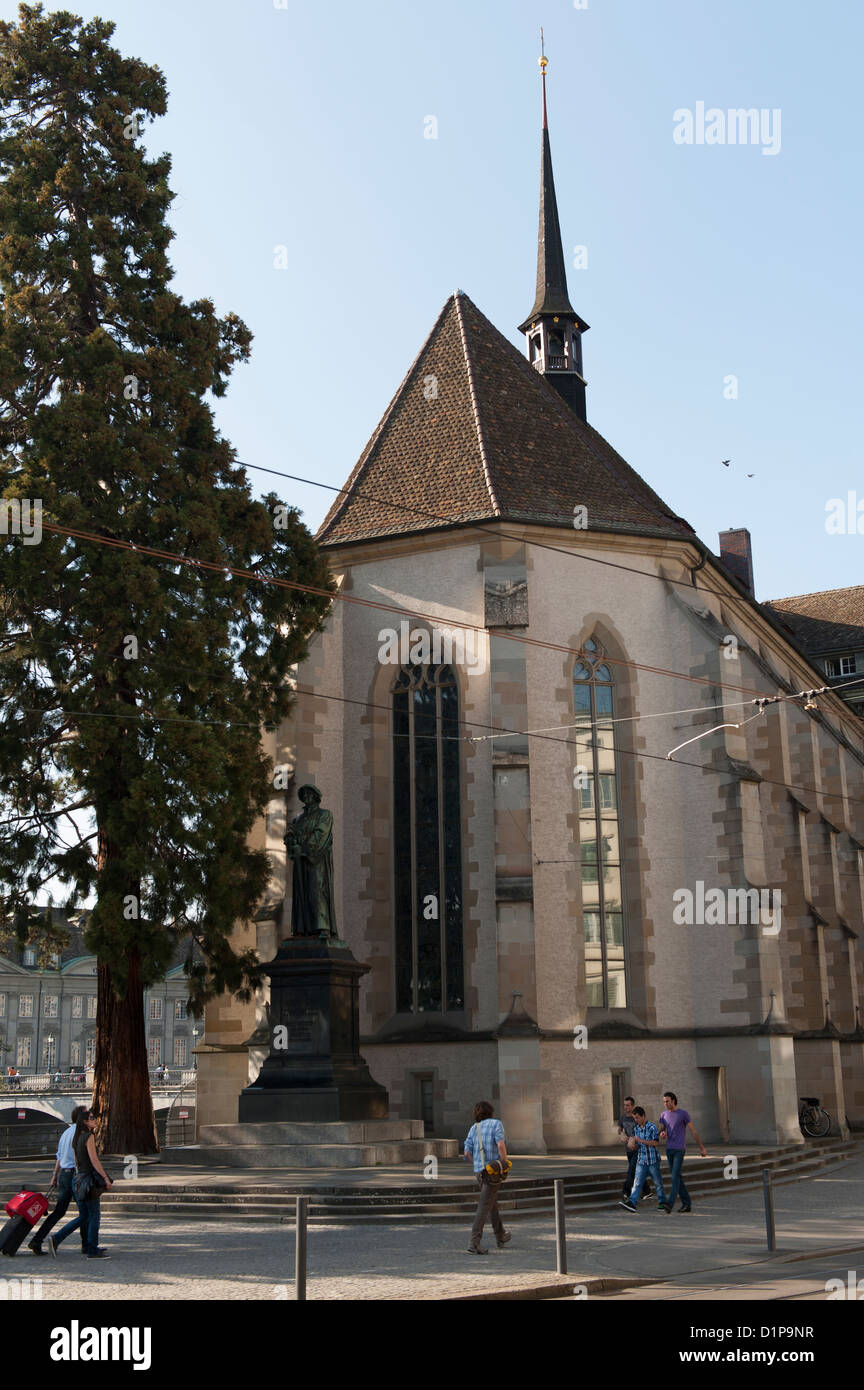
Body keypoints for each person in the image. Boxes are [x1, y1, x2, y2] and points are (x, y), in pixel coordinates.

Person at [48, 1109, 113, 1258]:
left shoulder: (76, 1137)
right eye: (91, 1118)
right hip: (87, 1180)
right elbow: (94, 1160)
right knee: (94, 1215)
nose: (95, 1120)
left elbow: (76, 1161)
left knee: (84, 1216)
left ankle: (56, 1238)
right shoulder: (88, 1137)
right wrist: (105, 1177)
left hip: (77, 1179)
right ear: (85, 1121)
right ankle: (92, 1248)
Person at [28, 1106, 88, 1256]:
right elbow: (77, 1156)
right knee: (85, 1212)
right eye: (88, 1115)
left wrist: (54, 1176)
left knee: (59, 1211)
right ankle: (86, 1244)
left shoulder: (65, 1133)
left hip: (64, 1175)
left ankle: (37, 1239)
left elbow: (59, 1157)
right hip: (76, 1175)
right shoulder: (81, 1134)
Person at [462, 1100, 511, 1254]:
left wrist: (477, 1164)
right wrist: (504, 1163)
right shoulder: (496, 1124)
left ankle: (500, 1235)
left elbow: (466, 1153)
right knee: (484, 1207)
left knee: (491, 1203)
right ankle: (474, 1243)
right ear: (491, 1111)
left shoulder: (473, 1128)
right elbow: (501, 1145)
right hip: (493, 1171)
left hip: (479, 1172)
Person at [659, 1090, 707, 1213]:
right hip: (669, 1149)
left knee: (675, 1176)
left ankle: (669, 1204)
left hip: (679, 1149)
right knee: (677, 1177)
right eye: (664, 1102)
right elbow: (662, 1130)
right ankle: (687, 1204)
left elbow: (693, 1131)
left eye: (667, 1101)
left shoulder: (683, 1114)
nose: (665, 1103)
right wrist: (662, 1134)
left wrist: (701, 1148)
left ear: (673, 1101)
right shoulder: (663, 1115)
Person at [619, 1107, 671, 1212]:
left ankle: (662, 1203)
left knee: (658, 1183)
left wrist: (641, 1140)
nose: (636, 1120)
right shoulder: (636, 1128)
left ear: (643, 1116)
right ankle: (632, 1203)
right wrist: (632, 1145)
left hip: (652, 1160)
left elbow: (655, 1143)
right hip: (641, 1160)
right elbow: (638, 1145)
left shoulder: (652, 1127)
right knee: (637, 1182)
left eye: (637, 1118)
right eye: (634, 1118)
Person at [617, 1095, 654, 1201]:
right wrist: (621, 1134)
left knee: (631, 1171)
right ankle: (647, 1191)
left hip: (638, 1149)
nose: (625, 1107)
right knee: (636, 1171)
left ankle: (625, 1192)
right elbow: (619, 1129)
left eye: (628, 1105)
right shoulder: (623, 1117)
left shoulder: (636, 1118)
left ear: (633, 1106)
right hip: (628, 1149)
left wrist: (635, 1140)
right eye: (624, 1105)